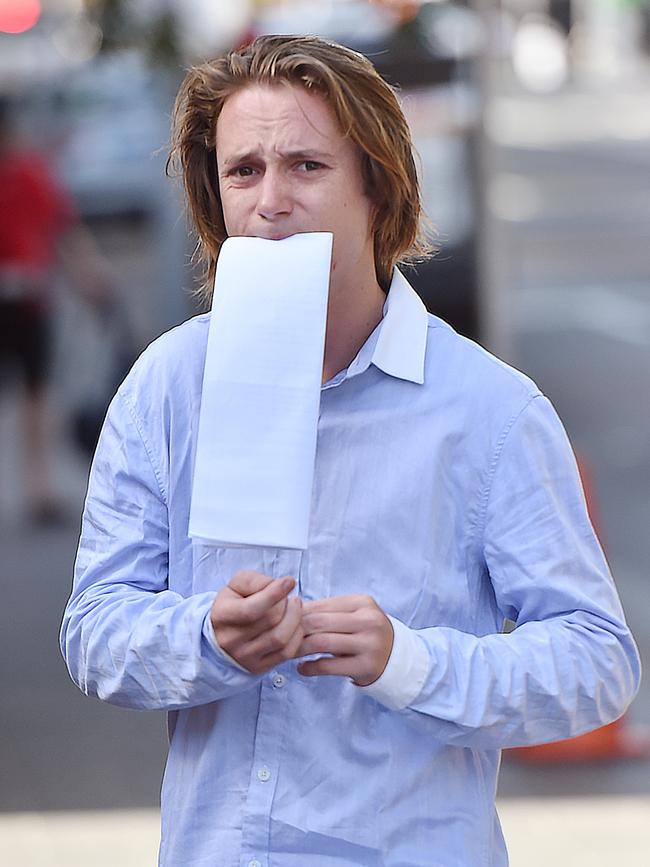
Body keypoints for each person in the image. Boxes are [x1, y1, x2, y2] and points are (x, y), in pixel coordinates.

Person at [60, 35, 640, 867]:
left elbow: (596, 661)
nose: (271, 200)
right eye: (243, 171)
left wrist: (412, 660)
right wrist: (207, 638)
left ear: (378, 188)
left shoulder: (488, 409)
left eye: (306, 166)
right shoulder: (169, 385)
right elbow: (94, 630)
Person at [0, 96, 113, 523]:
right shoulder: (30, 172)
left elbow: (63, 232)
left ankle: (39, 485)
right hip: (20, 298)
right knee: (35, 397)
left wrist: (92, 281)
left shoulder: (31, 174)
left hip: (29, 302)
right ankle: (38, 485)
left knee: (37, 396)